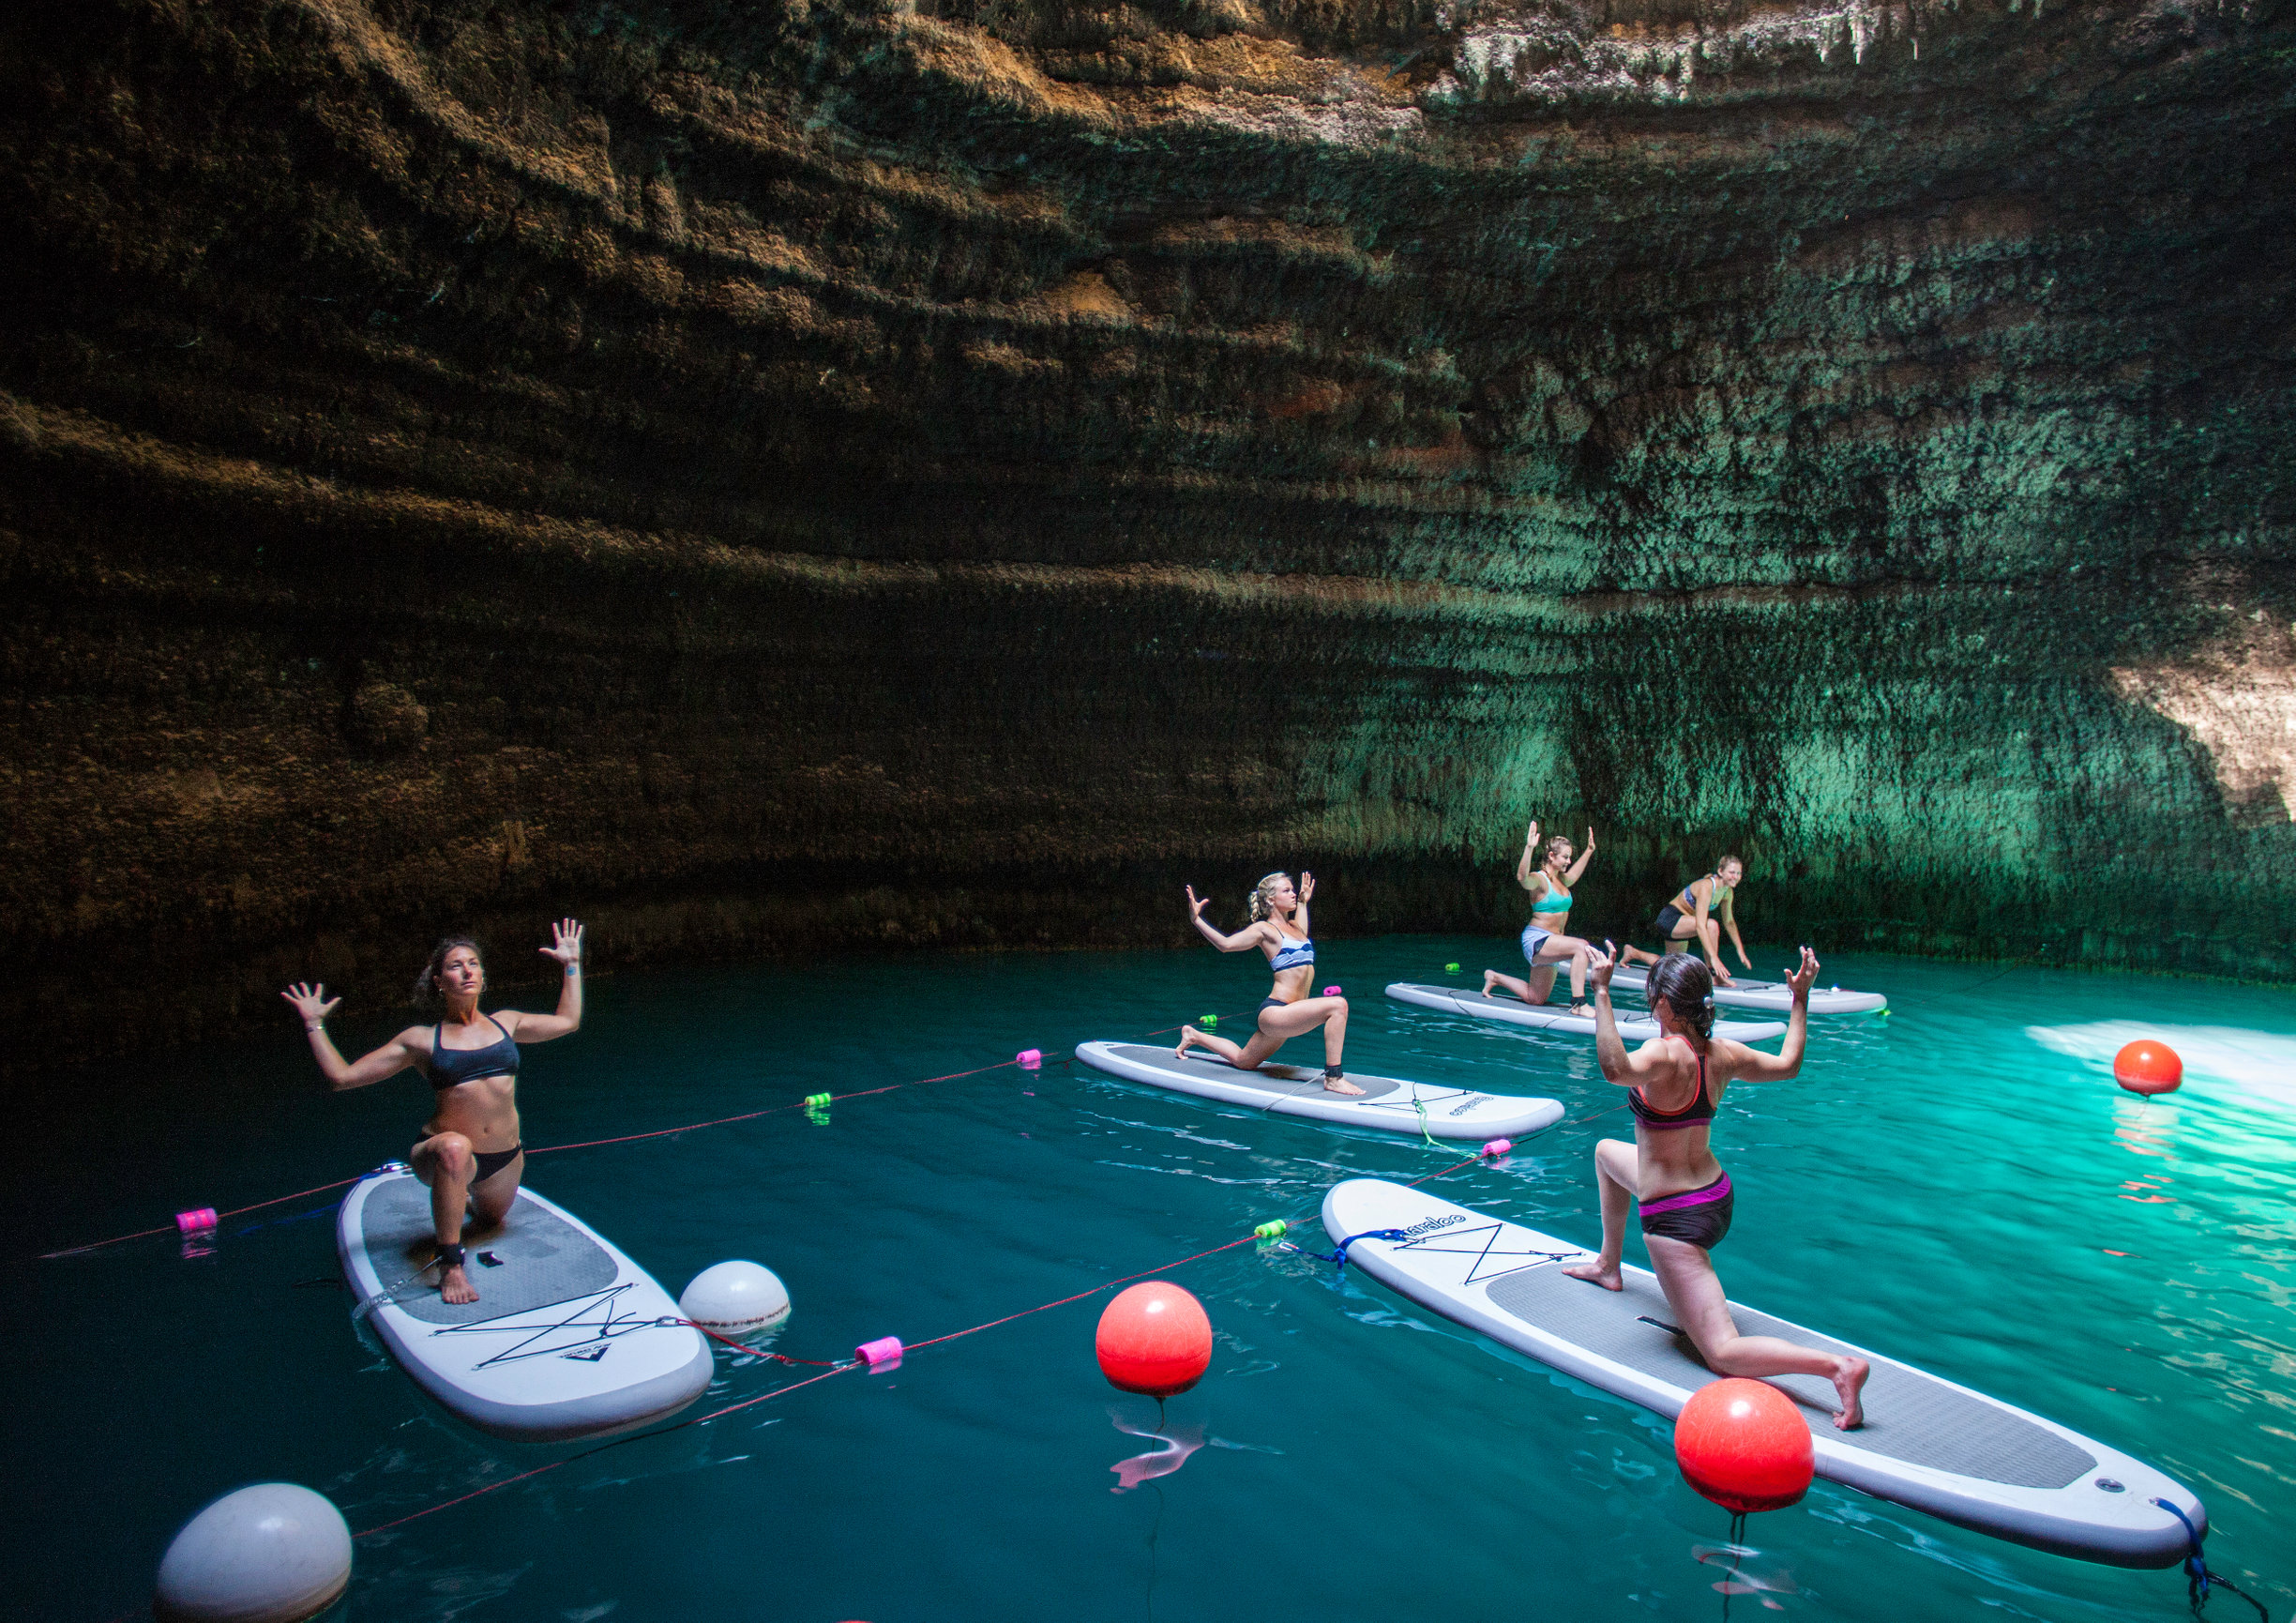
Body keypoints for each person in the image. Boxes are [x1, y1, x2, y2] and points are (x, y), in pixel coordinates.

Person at [1563, 944, 1869, 1430]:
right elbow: (1789, 1064)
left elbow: (1614, 1069)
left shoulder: (1662, 1054)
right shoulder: (1722, 1054)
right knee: (1605, 1153)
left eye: (1650, 995)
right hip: (1715, 1194)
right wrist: (1799, 999)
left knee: (1721, 1353)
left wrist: (1599, 990)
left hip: (1675, 1219)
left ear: (1664, 1004)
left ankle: (1837, 1368)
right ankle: (1608, 1265)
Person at [280, 919, 585, 1304]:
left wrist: (571, 965)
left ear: (483, 976)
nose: (467, 970)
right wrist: (313, 1025)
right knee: (456, 1149)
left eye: (473, 963)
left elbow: (568, 1022)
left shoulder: (507, 1023)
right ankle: (450, 1264)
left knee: (491, 1221)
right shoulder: (421, 1040)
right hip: (442, 1152)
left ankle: (459, 1196)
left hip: (504, 1156)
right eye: (456, 965)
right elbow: (343, 1078)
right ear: (440, 981)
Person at [1173, 872, 1362, 1094]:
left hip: (1292, 1013)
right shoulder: (1264, 930)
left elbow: (1301, 910)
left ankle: (1193, 1035)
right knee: (1338, 1005)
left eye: (1293, 890)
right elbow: (1225, 945)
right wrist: (1196, 920)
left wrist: (1303, 899)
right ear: (1271, 899)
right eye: (1286, 890)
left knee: (1244, 1061)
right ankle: (1333, 1077)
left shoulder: (1296, 927)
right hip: (1277, 1012)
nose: (1293, 894)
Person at [1483, 821, 1599, 1017]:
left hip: (1551, 945)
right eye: (1565, 857)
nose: (1568, 861)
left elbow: (1574, 875)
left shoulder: (1562, 880)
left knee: (1535, 998)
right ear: (1552, 856)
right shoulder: (1539, 880)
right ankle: (1578, 1003)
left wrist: (1589, 851)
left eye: (1570, 857)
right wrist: (1529, 848)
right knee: (1582, 947)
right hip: (1537, 940)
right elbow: (1522, 878)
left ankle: (1494, 977)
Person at [1622, 856, 1751, 986]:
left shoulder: (1726, 892)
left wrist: (1740, 950)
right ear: (1721, 871)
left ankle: (1633, 953)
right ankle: (1713, 975)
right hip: (1670, 918)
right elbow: (1701, 926)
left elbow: (1729, 922)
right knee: (1711, 925)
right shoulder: (1706, 887)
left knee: (1673, 967)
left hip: (1684, 923)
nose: (1736, 876)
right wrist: (1714, 958)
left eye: (1739, 873)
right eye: (1732, 872)